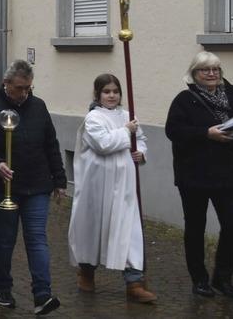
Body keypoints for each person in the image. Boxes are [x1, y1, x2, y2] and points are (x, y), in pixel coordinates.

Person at [0, 59, 65, 316]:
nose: (24, 93)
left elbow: (51, 144)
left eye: (28, 88)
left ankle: (42, 294)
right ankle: (2, 289)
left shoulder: (38, 106)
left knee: (37, 239)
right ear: (7, 84)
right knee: (5, 239)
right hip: (1, 188)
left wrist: (59, 179)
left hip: (37, 185)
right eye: (20, 88)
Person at [68, 73, 157, 303]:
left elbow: (142, 140)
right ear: (98, 94)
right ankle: (86, 272)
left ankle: (134, 282)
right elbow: (104, 144)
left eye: (115, 91)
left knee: (129, 230)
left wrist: (141, 153)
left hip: (125, 185)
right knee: (93, 229)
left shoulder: (129, 116)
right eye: (106, 91)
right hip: (97, 186)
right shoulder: (93, 119)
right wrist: (127, 132)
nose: (111, 95)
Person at [165, 51, 233, 299]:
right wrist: (206, 133)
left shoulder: (230, 96)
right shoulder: (184, 99)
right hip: (195, 174)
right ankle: (199, 279)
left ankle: (223, 278)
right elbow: (174, 131)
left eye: (216, 69)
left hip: (227, 172)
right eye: (205, 70)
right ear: (194, 74)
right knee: (195, 227)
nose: (212, 74)